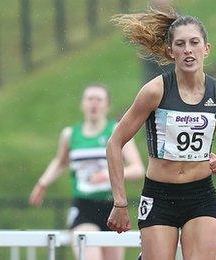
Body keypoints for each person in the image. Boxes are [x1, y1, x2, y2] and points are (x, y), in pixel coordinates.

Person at [108, 8, 216, 260]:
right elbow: (115, 143)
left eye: (194, 43)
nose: (188, 50)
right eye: (180, 44)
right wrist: (119, 202)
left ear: (206, 48)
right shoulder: (154, 91)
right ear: (171, 51)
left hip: (200, 196)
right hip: (159, 195)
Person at [29, 84, 145, 260]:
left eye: (99, 100)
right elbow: (60, 162)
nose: (94, 104)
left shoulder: (116, 131)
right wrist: (42, 184)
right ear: (82, 104)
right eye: (90, 99)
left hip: (113, 207)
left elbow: (138, 168)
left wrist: (108, 175)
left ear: (107, 105)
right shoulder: (70, 135)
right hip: (84, 207)